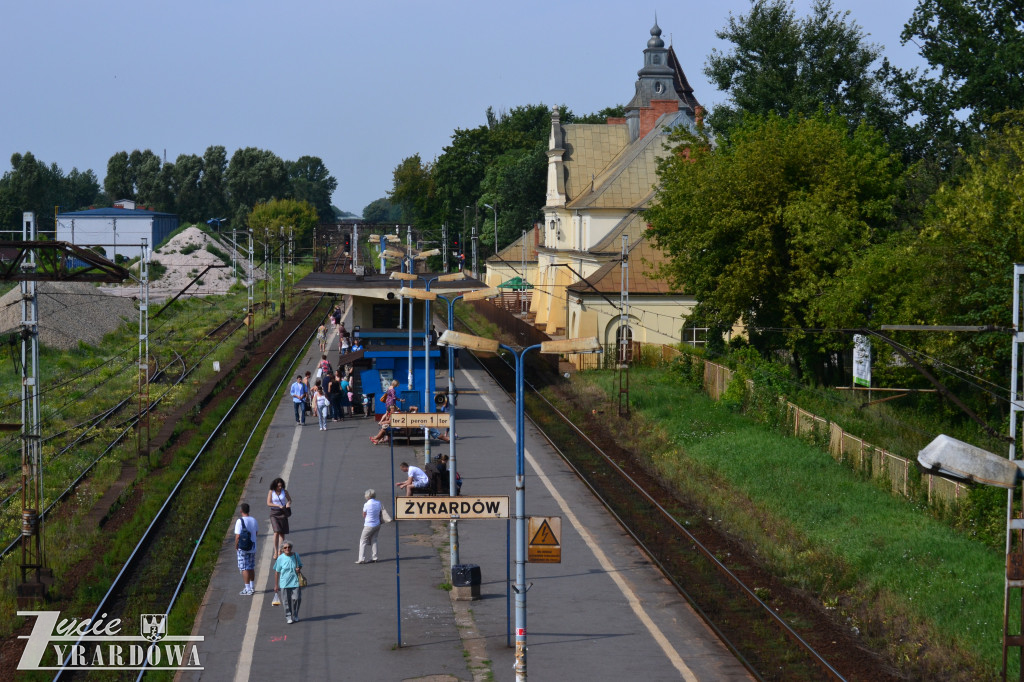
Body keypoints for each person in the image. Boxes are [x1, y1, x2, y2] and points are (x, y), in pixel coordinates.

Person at [273, 541, 304, 624]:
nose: (287, 549)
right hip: (284, 583)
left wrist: (299, 568)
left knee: (297, 598)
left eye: (289, 547)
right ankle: (288, 616)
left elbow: (300, 564)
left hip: (295, 581)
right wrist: (276, 585)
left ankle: (295, 614)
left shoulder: (295, 555)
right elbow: (277, 572)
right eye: (285, 548)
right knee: (286, 601)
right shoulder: (280, 558)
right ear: (282, 549)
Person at [235, 503, 258, 596]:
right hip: (252, 547)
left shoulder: (239, 521)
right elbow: (256, 533)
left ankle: (247, 588)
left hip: (243, 548)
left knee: (244, 567)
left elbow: (237, 536)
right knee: (251, 566)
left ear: (241, 511)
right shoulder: (254, 520)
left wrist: (236, 546)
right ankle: (252, 587)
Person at [266, 478, 291, 559]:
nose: (280, 487)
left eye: (281, 486)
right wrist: (277, 506)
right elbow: (268, 503)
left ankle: (280, 551)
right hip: (274, 513)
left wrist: (288, 504)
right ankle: (275, 551)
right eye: (278, 486)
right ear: (275, 485)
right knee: (276, 531)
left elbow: (290, 500)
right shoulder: (271, 492)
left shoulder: (284, 491)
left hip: (282, 513)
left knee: (282, 533)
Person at [356, 489, 382, 564]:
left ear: (367, 496)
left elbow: (364, 514)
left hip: (368, 525)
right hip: (377, 524)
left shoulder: (366, 504)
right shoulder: (378, 503)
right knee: (374, 540)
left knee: (363, 541)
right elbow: (380, 512)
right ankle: (375, 557)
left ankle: (361, 559)